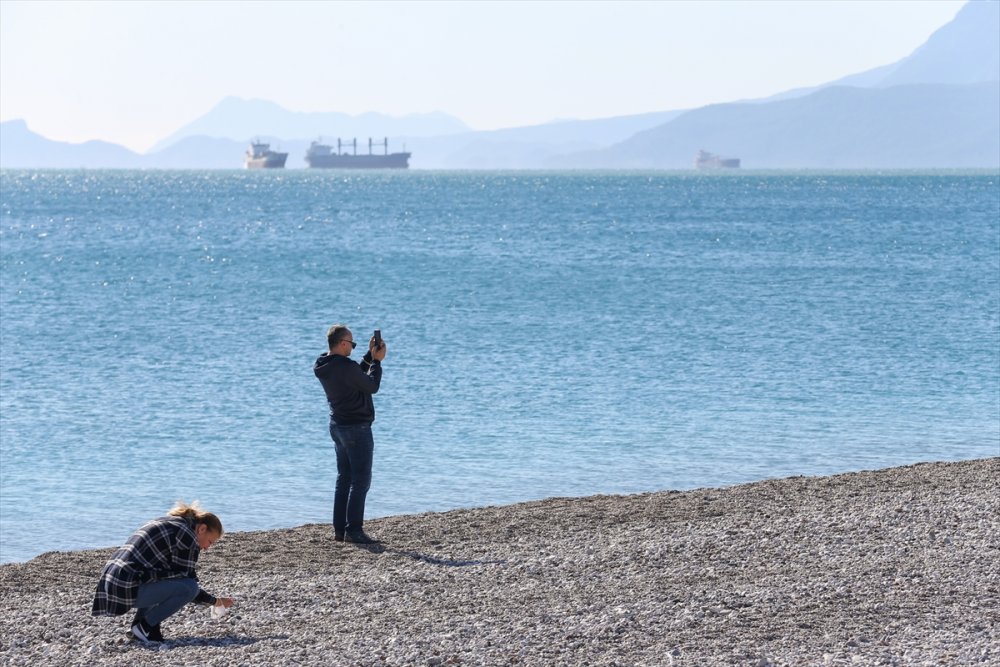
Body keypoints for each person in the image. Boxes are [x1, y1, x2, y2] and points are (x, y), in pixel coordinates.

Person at [91, 501, 234, 643]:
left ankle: (139, 628)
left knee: (163, 576)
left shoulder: (170, 522)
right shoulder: (187, 537)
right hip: (124, 588)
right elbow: (190, 586)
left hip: (111, 583)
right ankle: (145, 627)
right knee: (189, 587)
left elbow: (162, 573)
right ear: (202, 529)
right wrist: (216, 602)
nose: (207, 548)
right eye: (210, 542)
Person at [314, 323, 387, 545]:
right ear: (343, 343)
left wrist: (369, 356)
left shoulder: (323, 364)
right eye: (352, 344)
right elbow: (371, 386)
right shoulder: (345, 367)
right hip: (357, 427)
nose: (353, 348)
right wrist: (377, 362)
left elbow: (355, 374)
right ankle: (354, 529)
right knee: (361, 479)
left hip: (338, 426)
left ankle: (340, 530)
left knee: (344, 477)